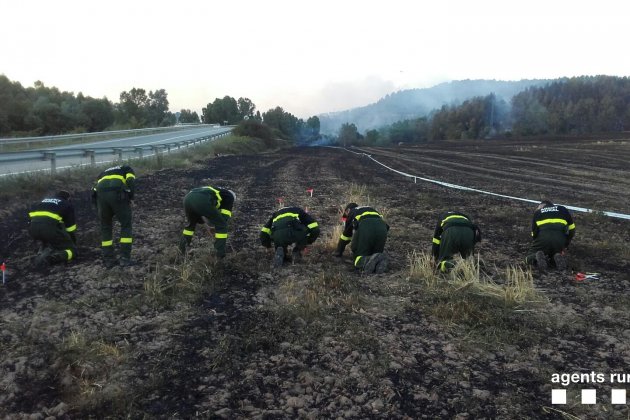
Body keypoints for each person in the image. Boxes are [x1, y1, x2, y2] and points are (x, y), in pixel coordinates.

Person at [92, 164, 136, 267]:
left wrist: (97, 206)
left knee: (105, 227)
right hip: (117, 193)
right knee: (126, 225)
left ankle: (108, 259)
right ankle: (125, 258)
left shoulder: (103, 172)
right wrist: (131, 197)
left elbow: (94, 190)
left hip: (101, 195)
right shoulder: (127, 168)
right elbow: (130, 180)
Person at [179, 186, 236, 258]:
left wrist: (207, 227)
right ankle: (219, 255)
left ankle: (180, 252)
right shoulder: (230, 196)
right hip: (201, 199)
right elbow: (224, 219)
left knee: (190, 227)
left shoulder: (214, 191)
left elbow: (197, 213)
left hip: (188, 198)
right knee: (222, 226)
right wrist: (218, 229)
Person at [334, 203, 389, 274]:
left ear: (348, 210)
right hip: (382, 228)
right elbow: (385, 227)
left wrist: (339, 251)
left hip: (366, 226)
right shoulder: (370, 209)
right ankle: (378, 263)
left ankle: (367, 260)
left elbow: (346, 236)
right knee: (376, 254)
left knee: (358, 259)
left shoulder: (352, 212)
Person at [28, 190, 77, 268]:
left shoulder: (44, 201)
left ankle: (42, 252)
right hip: (48, 230)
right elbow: (70, 228)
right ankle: (51, 259)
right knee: (73, 251)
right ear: (68, 198)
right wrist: (73, 242)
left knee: (48, 236)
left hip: (32, 229)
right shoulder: (67, 204)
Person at [526, 200, 575, 271]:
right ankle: (556, 257)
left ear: (542, 206)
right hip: (559, 240)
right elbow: (572, 229)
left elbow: (534, 234)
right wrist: (565, 244)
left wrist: (537, 245)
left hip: (543, 239)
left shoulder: (538, 212)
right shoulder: (563, 209)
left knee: (528, 258)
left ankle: (536, 257)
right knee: (554, 254)